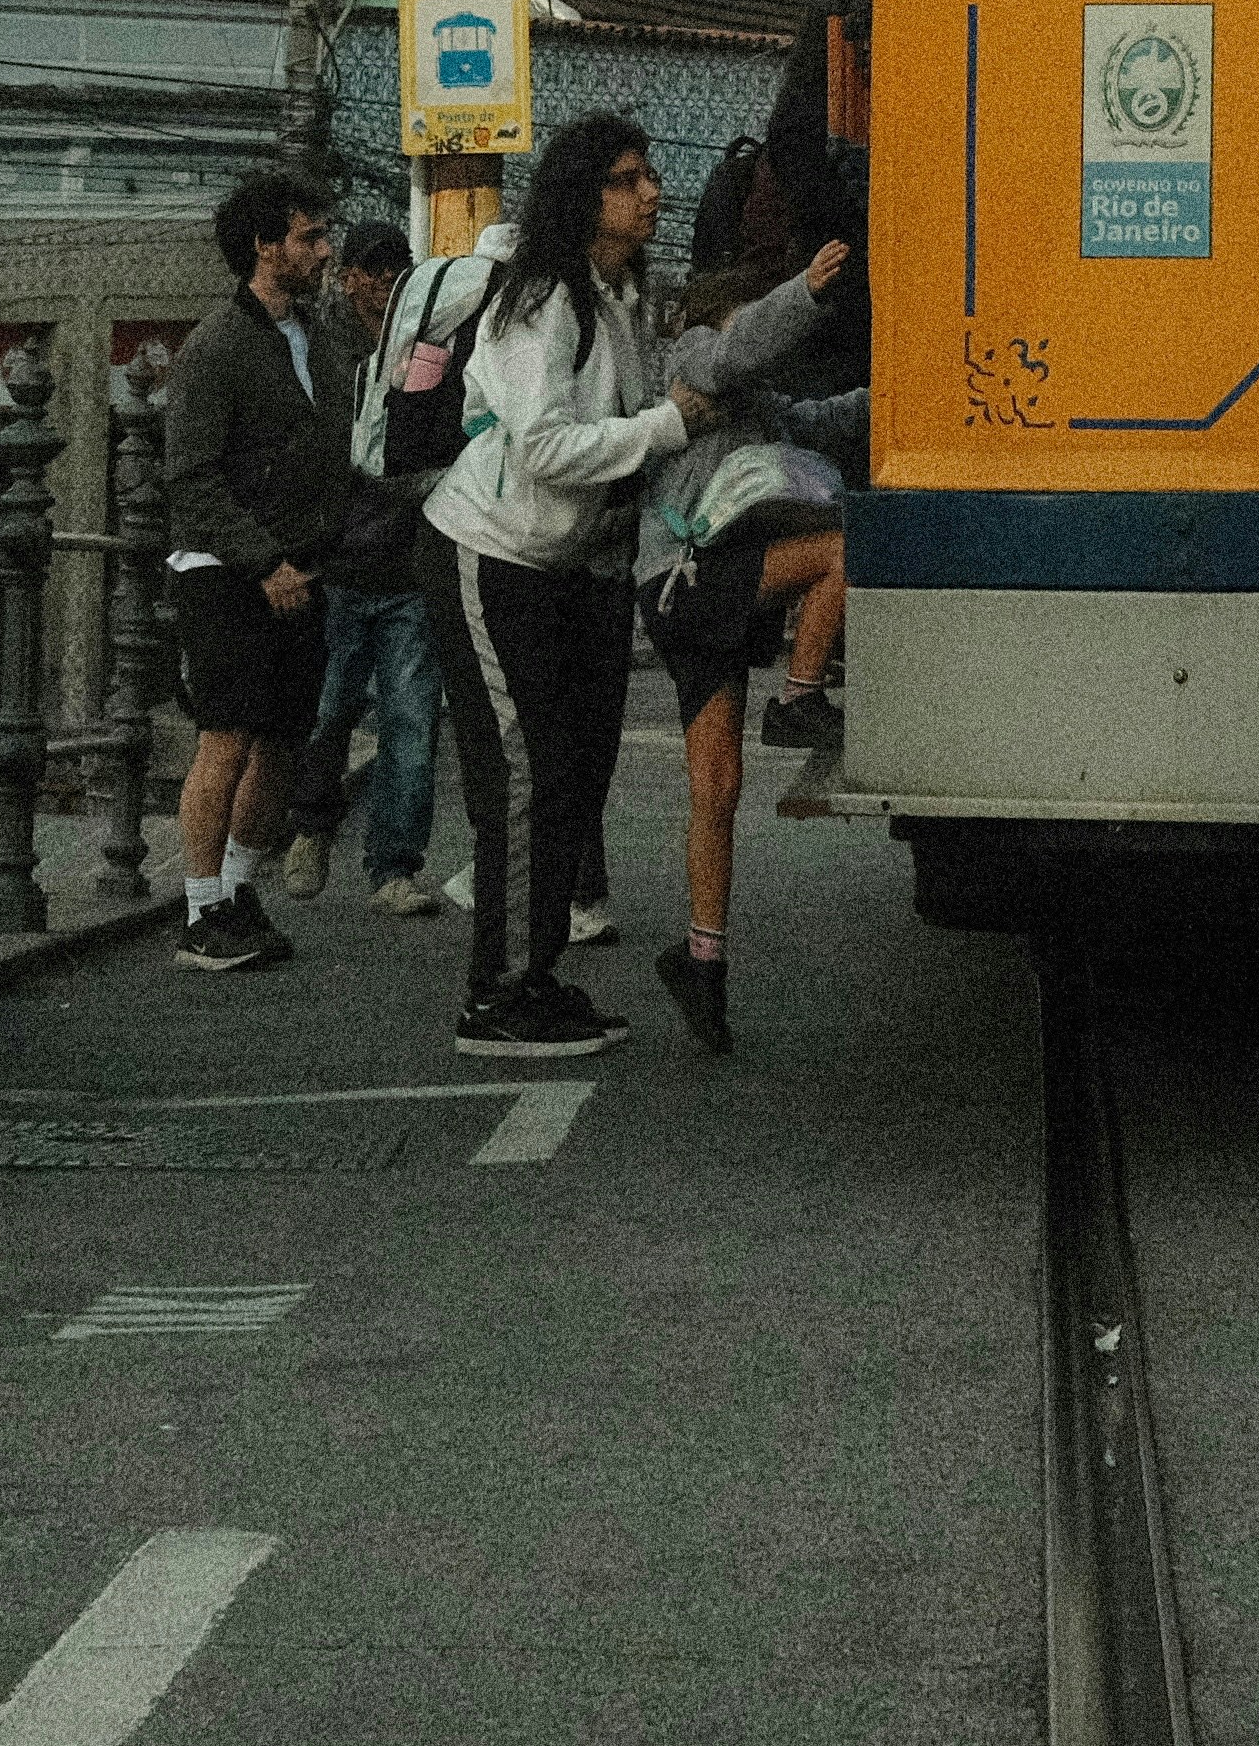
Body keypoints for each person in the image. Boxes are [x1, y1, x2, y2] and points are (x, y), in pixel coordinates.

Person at [419, 115, 684, 1060]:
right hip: (489, 554)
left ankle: (534, 976)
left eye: (649, 175)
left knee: (575, 775)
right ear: (583, 197)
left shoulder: (619, 296)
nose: (649, 192)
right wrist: (665, 428)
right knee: (525, 777)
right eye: (626, 178)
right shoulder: (541, 302)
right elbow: (540, 448)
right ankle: (493, 999)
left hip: (567, 570)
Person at [632, 238, 856, 1056]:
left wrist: (907, 385)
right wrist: (802, 289)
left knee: (715, 788)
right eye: (753, 316)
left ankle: (703, 959)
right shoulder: (695, 354)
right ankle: (799, 698)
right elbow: (738, 347)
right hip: (687, 579)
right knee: (843, 547)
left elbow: (821, 419)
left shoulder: (754, 398)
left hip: (707, 597)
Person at [165, 168, 354, 975]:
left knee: (283, 738)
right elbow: (189, 478)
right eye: (309, 236)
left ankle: (241, 889)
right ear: (263, 245)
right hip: (224, 571)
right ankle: (200, 905)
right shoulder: (216, 346)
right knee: (227, 738)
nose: (322, 249)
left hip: (303, 568)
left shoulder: (320, 336)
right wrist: (261, 561)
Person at [279, 220, 445, 915]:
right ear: (348, 278)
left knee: (411, 724)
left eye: (394, 270)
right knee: (329, 711)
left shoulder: (427, 344)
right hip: (338, 561)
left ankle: (393, 869)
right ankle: (311, 827)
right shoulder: (325, 351)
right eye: (372, 271)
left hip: (406, 563)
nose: (383, 283)